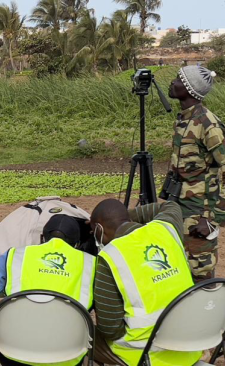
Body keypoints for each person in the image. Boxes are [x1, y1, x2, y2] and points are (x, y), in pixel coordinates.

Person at [0, 214, 95, 366]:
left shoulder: (14, 256)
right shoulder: (92, 264)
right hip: (68, 357)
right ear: (77, 244)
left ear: (42, 237)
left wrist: (8, 324)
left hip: (13, 354)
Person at [90, 199, 201, 366]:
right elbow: (171, 206)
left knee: (81, 334)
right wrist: (124, 216)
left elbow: (111, 330)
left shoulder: (110, 257)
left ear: (99, 229)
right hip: (190, 346)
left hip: (145, 354)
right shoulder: (166, 229)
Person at [164, 65, 223, 282]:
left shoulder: (207, 123)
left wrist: (212, 220)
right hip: (180, 209)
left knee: (200, 274)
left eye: (179, 79)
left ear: (189, 89)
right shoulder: (184, 119)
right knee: (180, 268)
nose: (173, 82)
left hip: (200, 214)